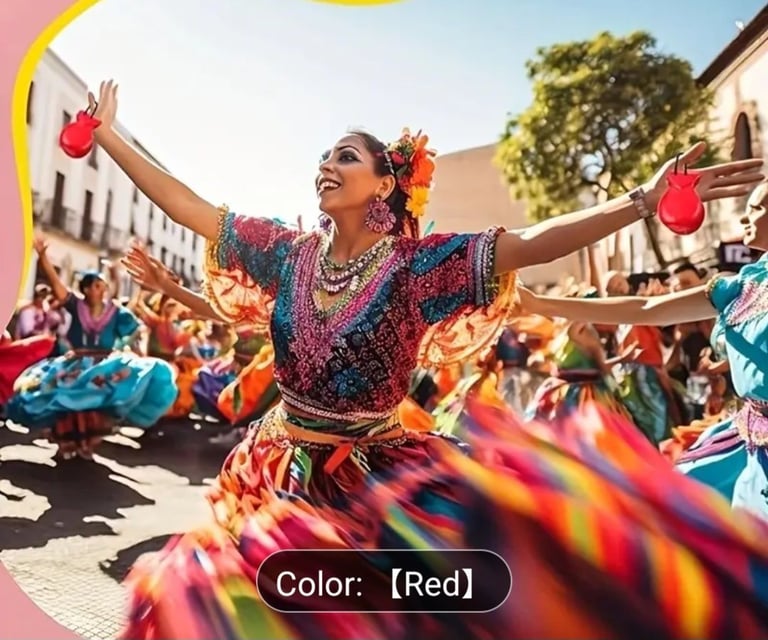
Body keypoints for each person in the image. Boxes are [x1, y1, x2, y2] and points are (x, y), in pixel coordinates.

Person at [83, 79, 768, 638]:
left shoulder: (419, 267)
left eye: (347, 155)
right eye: (325, 153)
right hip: (275, 472)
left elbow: (533, 242)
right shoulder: (284, 252)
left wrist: (643, 200)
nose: (327, 162)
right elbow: (189, 207)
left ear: (384, 185)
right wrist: (108, 136)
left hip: (374, 483)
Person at [518, 179, 768, 524]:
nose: (745, 216)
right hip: (752, 445)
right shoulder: (739, 286)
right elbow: (648, 306)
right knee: (679, 504)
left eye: (757, 207)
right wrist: (539, 302)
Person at [5, 236, 179, 459]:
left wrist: (129, 348)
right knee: (66, 400)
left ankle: (87, 444)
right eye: (97, 285)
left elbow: (136, 330)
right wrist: (43, 257)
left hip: (105, 364)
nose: (101, 289)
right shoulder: (76, 305)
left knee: (96, 404)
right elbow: (58, 287)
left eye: (103, 286)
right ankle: (65, 444)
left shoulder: (115, 311)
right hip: (77, 361)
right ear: (86, 289)